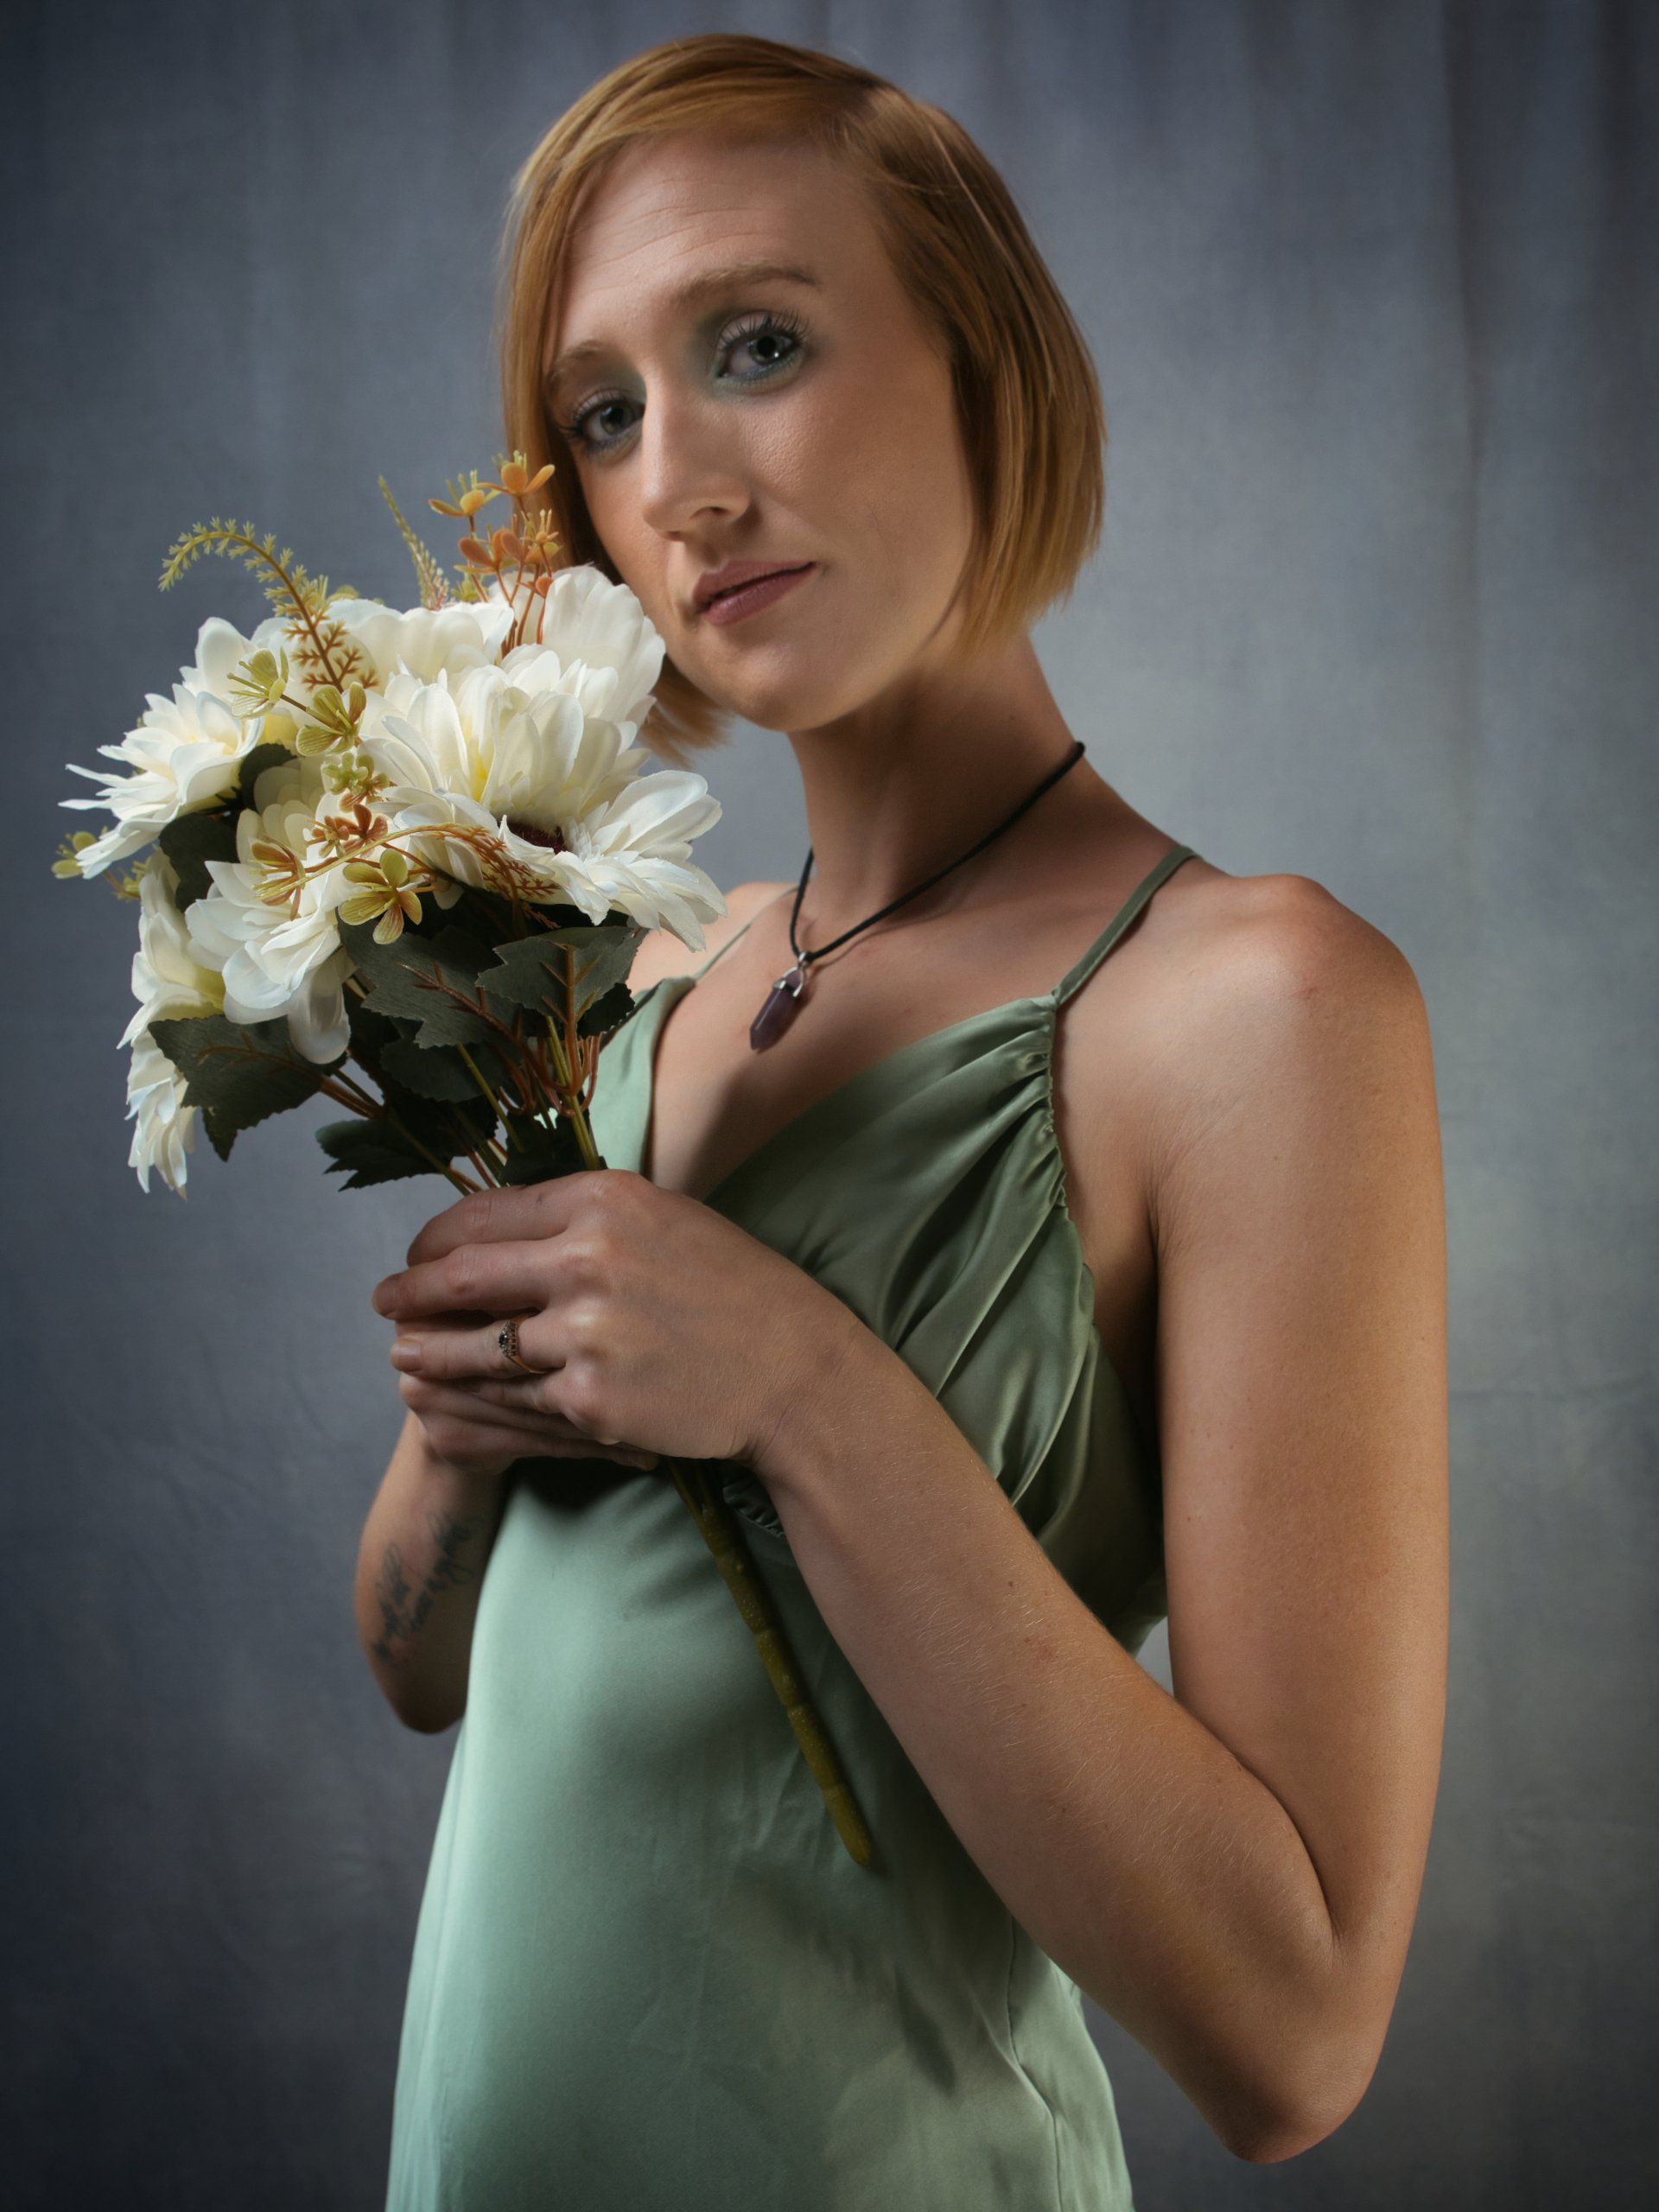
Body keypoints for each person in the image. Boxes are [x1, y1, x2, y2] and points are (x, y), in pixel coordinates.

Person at [355, 34, 1449, 2211]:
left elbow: (1297, 2031)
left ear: (985, 360)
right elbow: (421, 1664)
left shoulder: (1257, 1008)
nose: (673, 478)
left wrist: (792, 1382)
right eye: (603, 413)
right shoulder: (639, 985)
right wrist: (459, 1433)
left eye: (754, 343)